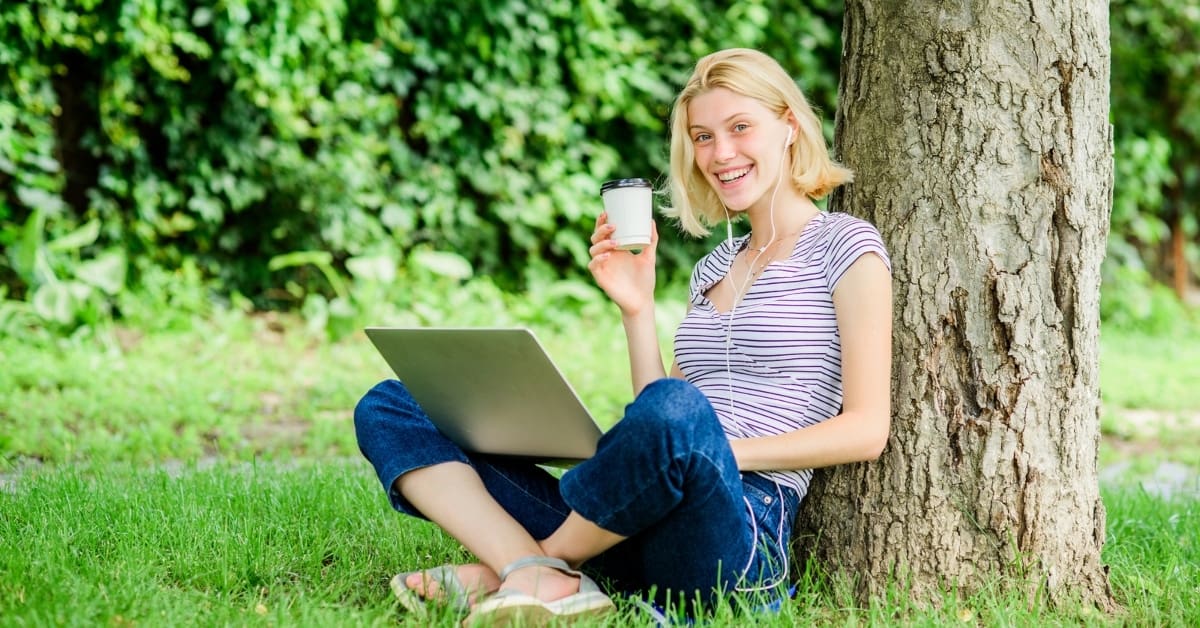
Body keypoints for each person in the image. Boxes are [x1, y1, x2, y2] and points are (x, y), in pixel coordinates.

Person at [353, 47, 893, 624]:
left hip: (737, 528)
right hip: (636, 515)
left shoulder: (846, 246)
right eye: (703, 136)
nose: (721, 153)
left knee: (676, 413)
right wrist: (636, 309)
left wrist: (714, 453)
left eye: (740, 128)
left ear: (788, 126)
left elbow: (866, 430)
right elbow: (655, 418)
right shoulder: (714, 267)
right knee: (392, 405)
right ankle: (541, 571)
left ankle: (536, 568)